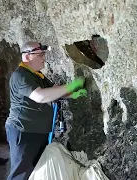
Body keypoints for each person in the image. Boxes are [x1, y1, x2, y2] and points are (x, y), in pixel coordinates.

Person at [5, 41, 87, 180]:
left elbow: (53, 92)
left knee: (37, 169)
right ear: (27, 56)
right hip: (24, 131)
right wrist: (71, 86)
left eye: (44, 54)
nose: (44, 58)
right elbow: (40, 96)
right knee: (21, 173)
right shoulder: (21, 75)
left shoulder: (37, 75)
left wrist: (73, 94)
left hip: (37, 131)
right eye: (40, 55)